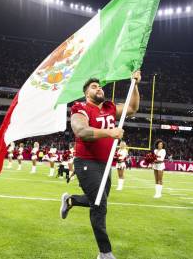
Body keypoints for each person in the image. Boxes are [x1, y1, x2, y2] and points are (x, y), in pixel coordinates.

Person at [60, 71, 141, 259]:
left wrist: (135, 85)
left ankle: (70, 200)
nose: (99, 88)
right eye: (94, 86)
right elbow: (82, 131)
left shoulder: (110, 107)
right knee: (100, 206)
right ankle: (105, 253)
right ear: (86, 93)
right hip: (86, 162)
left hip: (105, 163)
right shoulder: (80, 107)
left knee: (98, 200)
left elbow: (132, 108)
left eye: (100, 86)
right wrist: (109, 132)